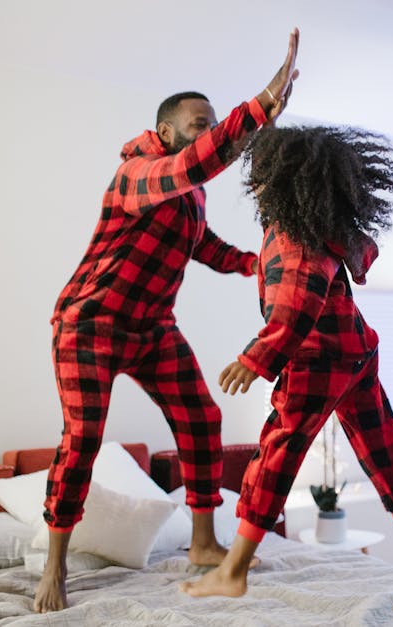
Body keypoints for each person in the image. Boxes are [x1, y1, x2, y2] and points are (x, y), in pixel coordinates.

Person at [34, 29, 300, 613]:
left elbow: (206, 246)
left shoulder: (189, 197)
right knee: (83, 439)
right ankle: (53, 568)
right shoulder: (140, 175)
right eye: (198, 123)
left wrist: (264, 264)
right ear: (166, 134)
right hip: (90, 322)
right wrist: (254, 108)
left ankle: (203, 543)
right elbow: (194, 167)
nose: (207, 131)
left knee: (202, 419)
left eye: (212, 121)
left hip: (151, 326)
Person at [180, 125, 393, 611]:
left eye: (260, 174)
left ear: (282, 181)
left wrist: (254, 358)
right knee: (380, 447)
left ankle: (233, 571)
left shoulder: (293, 236)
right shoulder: (320, 227)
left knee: (277, 452)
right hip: (356, 349)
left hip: (319, 355)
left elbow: (298, 304)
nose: (253, 184)